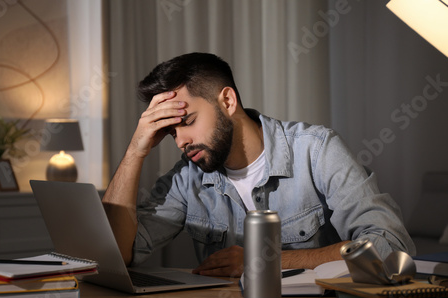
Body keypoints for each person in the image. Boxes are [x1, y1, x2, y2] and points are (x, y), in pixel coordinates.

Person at [102, 52, 415, 278]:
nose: (180, 141)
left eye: (187, 122)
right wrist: (134, 152)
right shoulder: (187, 178)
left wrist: (266, 261)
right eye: (170, 132)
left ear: (227, 101)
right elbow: (117, 254)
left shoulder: (317, 150)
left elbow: (391, 248)